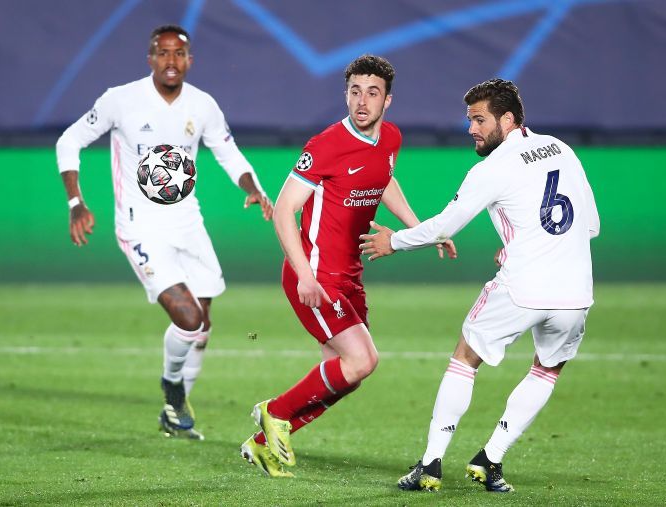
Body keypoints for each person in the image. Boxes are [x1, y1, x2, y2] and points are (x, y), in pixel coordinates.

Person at [360, 78, 600, 492]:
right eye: (469, 119)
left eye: (479, 119)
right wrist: (520, 242)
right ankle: (491, 459)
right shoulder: (562, 149)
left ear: (507, 120)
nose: (471, 128)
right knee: (547, 369)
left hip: (524, 286)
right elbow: (591, 224)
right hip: (575, 292)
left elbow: (445, 225)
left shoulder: (492, 168)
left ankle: (431, 465)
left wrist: (394, 241)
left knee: (465, 357)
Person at [239, 55, 456, 478]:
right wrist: (303, 275)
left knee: (345, 375)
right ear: (346, 94)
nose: (362, 101)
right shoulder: (324, 146)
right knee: (362, 361)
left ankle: (264, 443)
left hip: (350, 275)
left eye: (372, 92)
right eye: (355, 91)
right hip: (316, 275)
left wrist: (423, 230)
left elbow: (384, 178)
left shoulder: (390, 138)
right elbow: (285, 212)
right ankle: (273, 412)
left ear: (387, 100)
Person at [55, 24, 273, 441]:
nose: (171, 61)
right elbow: (69, 141)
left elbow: (228, 152)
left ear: (190, 61)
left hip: (188, 223)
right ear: (150, 58)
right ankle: (172, 387)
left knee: (203, 326)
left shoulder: (203, 105)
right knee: (188, 319)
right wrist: (76, 202)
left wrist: (254, 190)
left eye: (179, 54)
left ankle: (173, 416)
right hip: (141, 226)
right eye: (162, 52)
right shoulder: (121, 100)